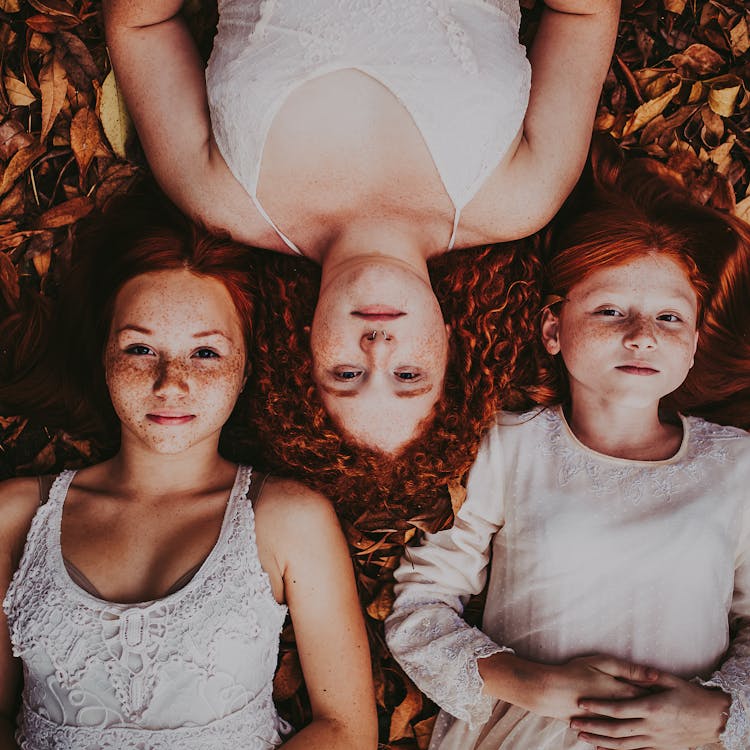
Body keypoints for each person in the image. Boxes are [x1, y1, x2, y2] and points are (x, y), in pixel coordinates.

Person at [102, 0, 620, 453]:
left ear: (306, 349)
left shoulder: (221, 201)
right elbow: (584, 13)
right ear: (447, 342)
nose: (377, 347)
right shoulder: (522, 197)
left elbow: (141, 27)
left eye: (347, 375)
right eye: (408, 376)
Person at [384, 149, 750, 749]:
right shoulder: (509, 445)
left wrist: (714, 714)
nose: (641, 336)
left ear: (691, 346)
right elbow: (421, 607)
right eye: (610, 311)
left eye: (669, 318)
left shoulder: (736, 466)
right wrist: (535, 685)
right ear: (554, 329)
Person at [0, 190, 377, 750]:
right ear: (104, 356)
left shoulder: (285, 520)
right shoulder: (15, 516)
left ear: (245, 368)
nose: (171, 382)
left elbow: (346, 730)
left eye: (205, 354)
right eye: (139, 350)